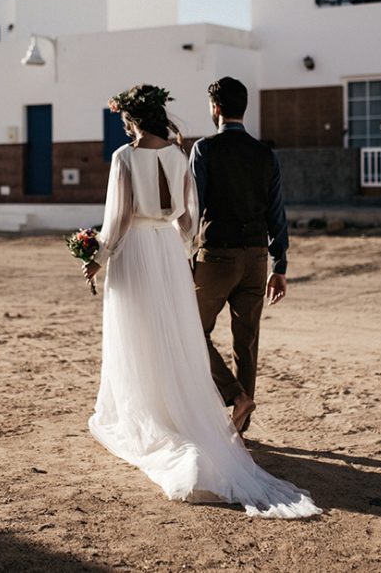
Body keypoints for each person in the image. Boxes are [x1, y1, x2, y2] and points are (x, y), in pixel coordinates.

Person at [81, 84, 319, 518]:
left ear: (131, 119)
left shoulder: (131, 157)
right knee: (211, 335)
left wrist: (97, 256)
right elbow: (191, 217)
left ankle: (181, 406)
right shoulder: (188, 154)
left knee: (155, 332)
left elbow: (116, 219)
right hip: (196, 252)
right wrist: (181, 250)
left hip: (146, 251)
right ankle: (233, 410)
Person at [189, 77, 288, 435]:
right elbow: (277, 213)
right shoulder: (266, 154)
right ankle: (240, 430)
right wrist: (281, 266)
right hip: (258, 258)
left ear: (216, 107)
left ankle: (235, 396)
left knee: (190, 331)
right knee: (246, 341)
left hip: (217, 256)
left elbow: (193, 207)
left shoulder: (204, 149)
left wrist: (185, 256)